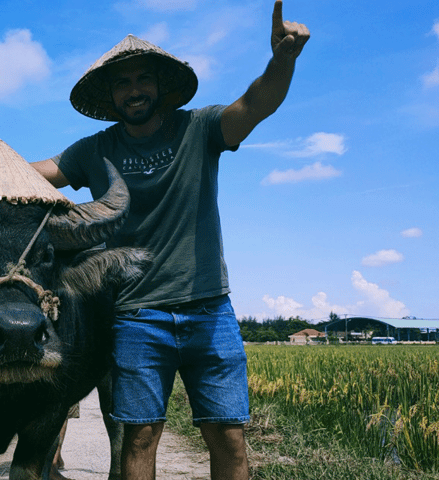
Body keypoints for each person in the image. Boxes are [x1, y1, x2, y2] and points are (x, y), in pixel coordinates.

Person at [31, 2, 309, 479]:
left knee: (228, 436)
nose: (134, 90)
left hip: (208, 309)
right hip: (137, 316)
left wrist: (282, 60)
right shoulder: (97, 149)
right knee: (138, 437)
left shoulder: (198, 128)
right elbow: (37, 176)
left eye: (142, 79)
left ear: (161, 86)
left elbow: (257, 104)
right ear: (110, 94)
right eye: (123, 82)